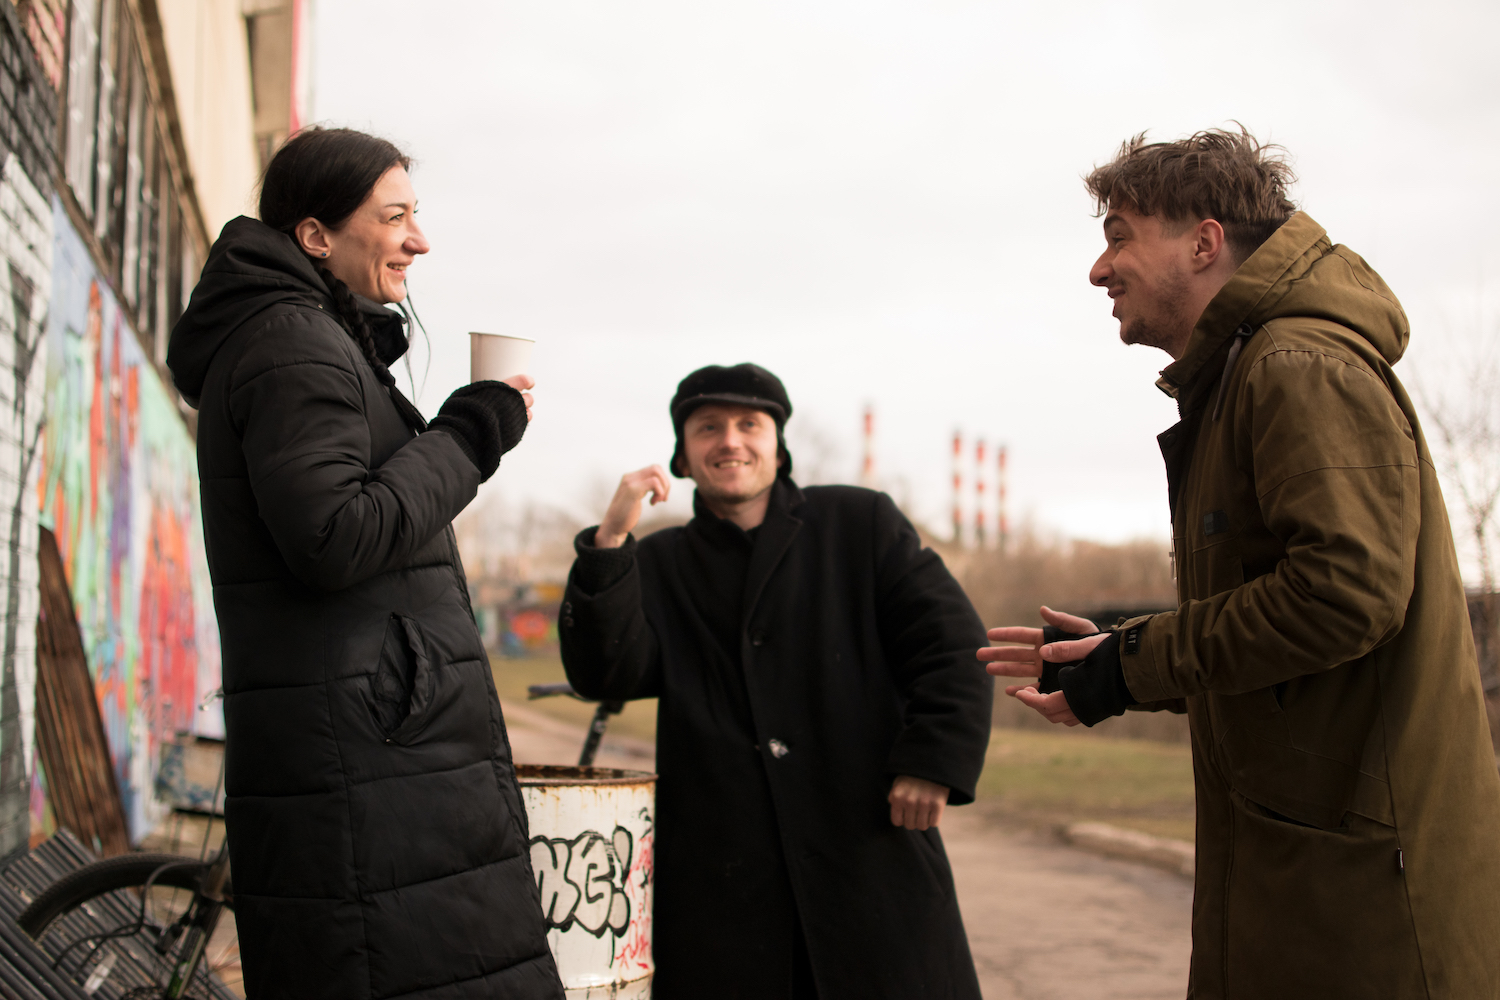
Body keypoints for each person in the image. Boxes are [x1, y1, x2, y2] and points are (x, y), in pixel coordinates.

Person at [981, 129, 1500, 998]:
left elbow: (1347, 597)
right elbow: (1285, 631)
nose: (1098, 269)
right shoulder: (1246, 374)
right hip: (1305, 878)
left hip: (1366, 905)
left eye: (1118, 235)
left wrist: (1137, 662)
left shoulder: (1297, 367)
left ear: (1204, 241)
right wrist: (1119, 656)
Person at [166, 127, 564, 1000]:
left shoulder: (306, 339)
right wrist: (471, 432)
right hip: (368, 759)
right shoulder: (291, 343)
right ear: (316, 236)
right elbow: (336, 535)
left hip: (365, 748)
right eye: (395, 218)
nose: (419, 240)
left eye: (417, 216)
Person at [559, 363, 992, 999]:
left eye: (748, 424)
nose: (729, 440)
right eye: (707, 428)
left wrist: (934, 759)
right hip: (720, 887)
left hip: (869, 853)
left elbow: (951, 644)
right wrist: (609, 542)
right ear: (684, 455)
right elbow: (606, 673)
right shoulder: (656, 561)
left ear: (778, 445)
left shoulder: (859, 523)